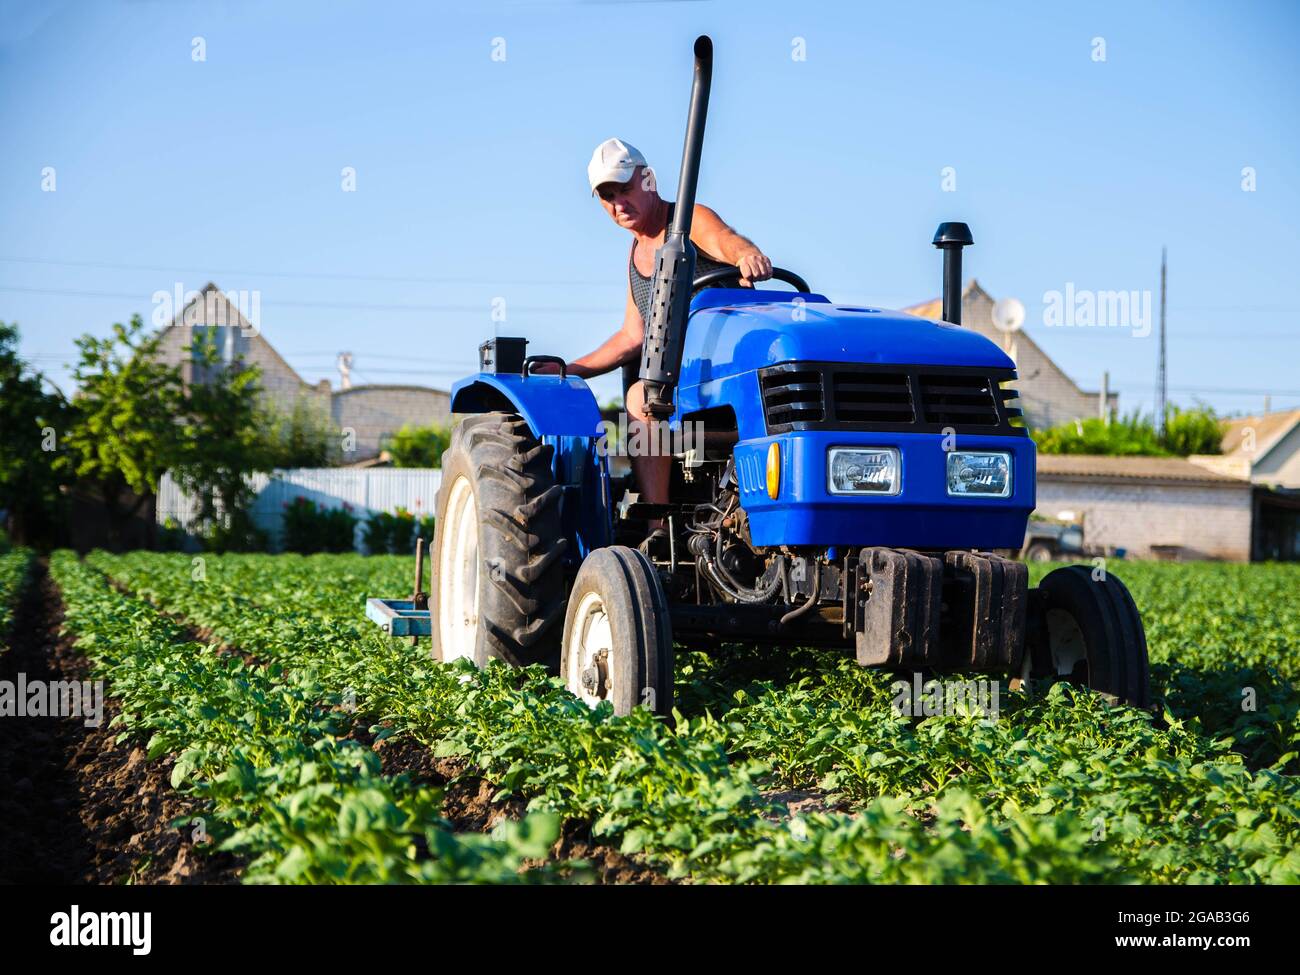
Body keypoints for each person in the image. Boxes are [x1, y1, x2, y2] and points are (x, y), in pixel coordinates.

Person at [560, 138, 773, 551]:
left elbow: (728, 241)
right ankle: (660, 527)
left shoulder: (688, 220)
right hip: (678, 382)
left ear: (648, 179)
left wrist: (748, 255)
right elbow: (633, 335)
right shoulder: (635, 253)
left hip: (720, 368)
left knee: (644, 394)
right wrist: (571, 370)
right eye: (607, 196)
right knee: (643, 393)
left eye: (625, 188)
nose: (618, 203)